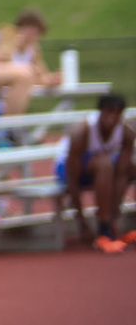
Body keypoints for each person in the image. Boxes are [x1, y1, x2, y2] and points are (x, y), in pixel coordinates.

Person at [63, 93, 133, 252]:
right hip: (70, 168)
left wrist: (115, 215)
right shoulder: (82, 132)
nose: (112, 118)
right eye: (108, 113)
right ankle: (103, 230)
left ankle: (111, 223)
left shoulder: (127, 133)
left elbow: (122, 174)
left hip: (102, 168)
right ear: (100, 112)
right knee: (104, 164)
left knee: (130, 167)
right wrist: (81, 222)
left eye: (117, 114)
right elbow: (72, 179)